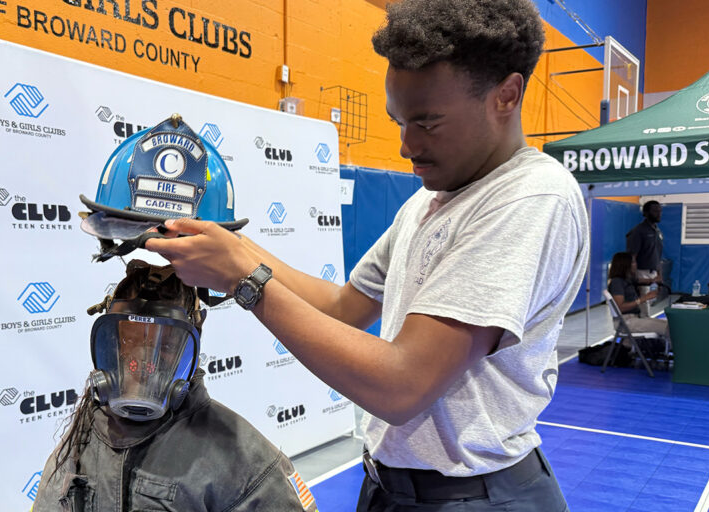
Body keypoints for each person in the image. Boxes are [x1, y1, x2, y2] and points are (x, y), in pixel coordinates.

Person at [145, 0, 586, 510]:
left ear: (506, 95)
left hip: (472, 497)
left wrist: (244, 278)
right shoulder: (430, 199)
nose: (405, 146)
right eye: (399, 121)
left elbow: (402, 386)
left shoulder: (529, 197)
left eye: (428, 123)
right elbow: (342, 308)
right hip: (391, 486)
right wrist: (229, 244)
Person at [32, 260, 317, 512]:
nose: (143, 362)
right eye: (130, 340)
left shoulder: (243, 457)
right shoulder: (85, 434)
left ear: (190, 347)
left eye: (165, 345)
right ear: (111, 342)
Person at [607, 252, 670, 349]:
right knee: (668, 327)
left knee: (670, 324)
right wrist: (643, 299)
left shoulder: (628, 279)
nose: (636, 264)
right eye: (633, 262)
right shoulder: (617, 282)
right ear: (625, 265)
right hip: (626, 322)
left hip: (636, 318)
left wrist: (655, 280)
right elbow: (620, 308)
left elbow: (643, 280)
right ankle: (680, 355)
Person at [626, 200, 664, 314]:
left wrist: (659, 274)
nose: (658, 213)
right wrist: (634, 278)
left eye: (659, 211)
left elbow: (658, 255)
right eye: (655, 211)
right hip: (641, 272)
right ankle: (644, 324)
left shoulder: (657, 231)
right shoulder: (638, 231)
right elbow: (632, 256)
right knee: (644, 301)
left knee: (651, 300)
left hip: (653, 273)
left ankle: (645, 321)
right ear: (646, 213)